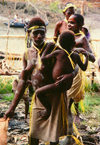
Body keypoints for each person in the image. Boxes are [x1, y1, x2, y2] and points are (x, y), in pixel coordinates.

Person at [4, 17, 78, 145]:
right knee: (33, 134)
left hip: (55, 97)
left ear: (45, 33)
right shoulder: (28, 53)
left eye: (42, 33)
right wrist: (12, 107)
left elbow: (74, 63)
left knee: (53, 137)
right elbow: (23, 81)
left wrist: (71, 75)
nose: (39, 36)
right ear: (29, 34)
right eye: (35, 33)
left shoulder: (54, 48)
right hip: (39, 97)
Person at [36, 30, 89, 118]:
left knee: (38, 92)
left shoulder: (58, 53)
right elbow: (83, 68)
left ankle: (48, 109)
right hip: (68, 85)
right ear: (74, 43)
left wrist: (48, 47)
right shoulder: (75, 55)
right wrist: (86, 56)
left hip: (58, 84)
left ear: (59, 42)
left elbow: (43, 59)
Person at [67, 14, 95, 122]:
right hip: (64, 68)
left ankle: (73, 116)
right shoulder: (65, 35)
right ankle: (67, 115)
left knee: (73, 95)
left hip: (76, 70)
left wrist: (83, 51)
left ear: (80, 25)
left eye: (72, 23)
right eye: (68, 22)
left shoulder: (82, 38)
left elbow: (92, 57)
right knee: (66, 94)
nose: (69, 24)